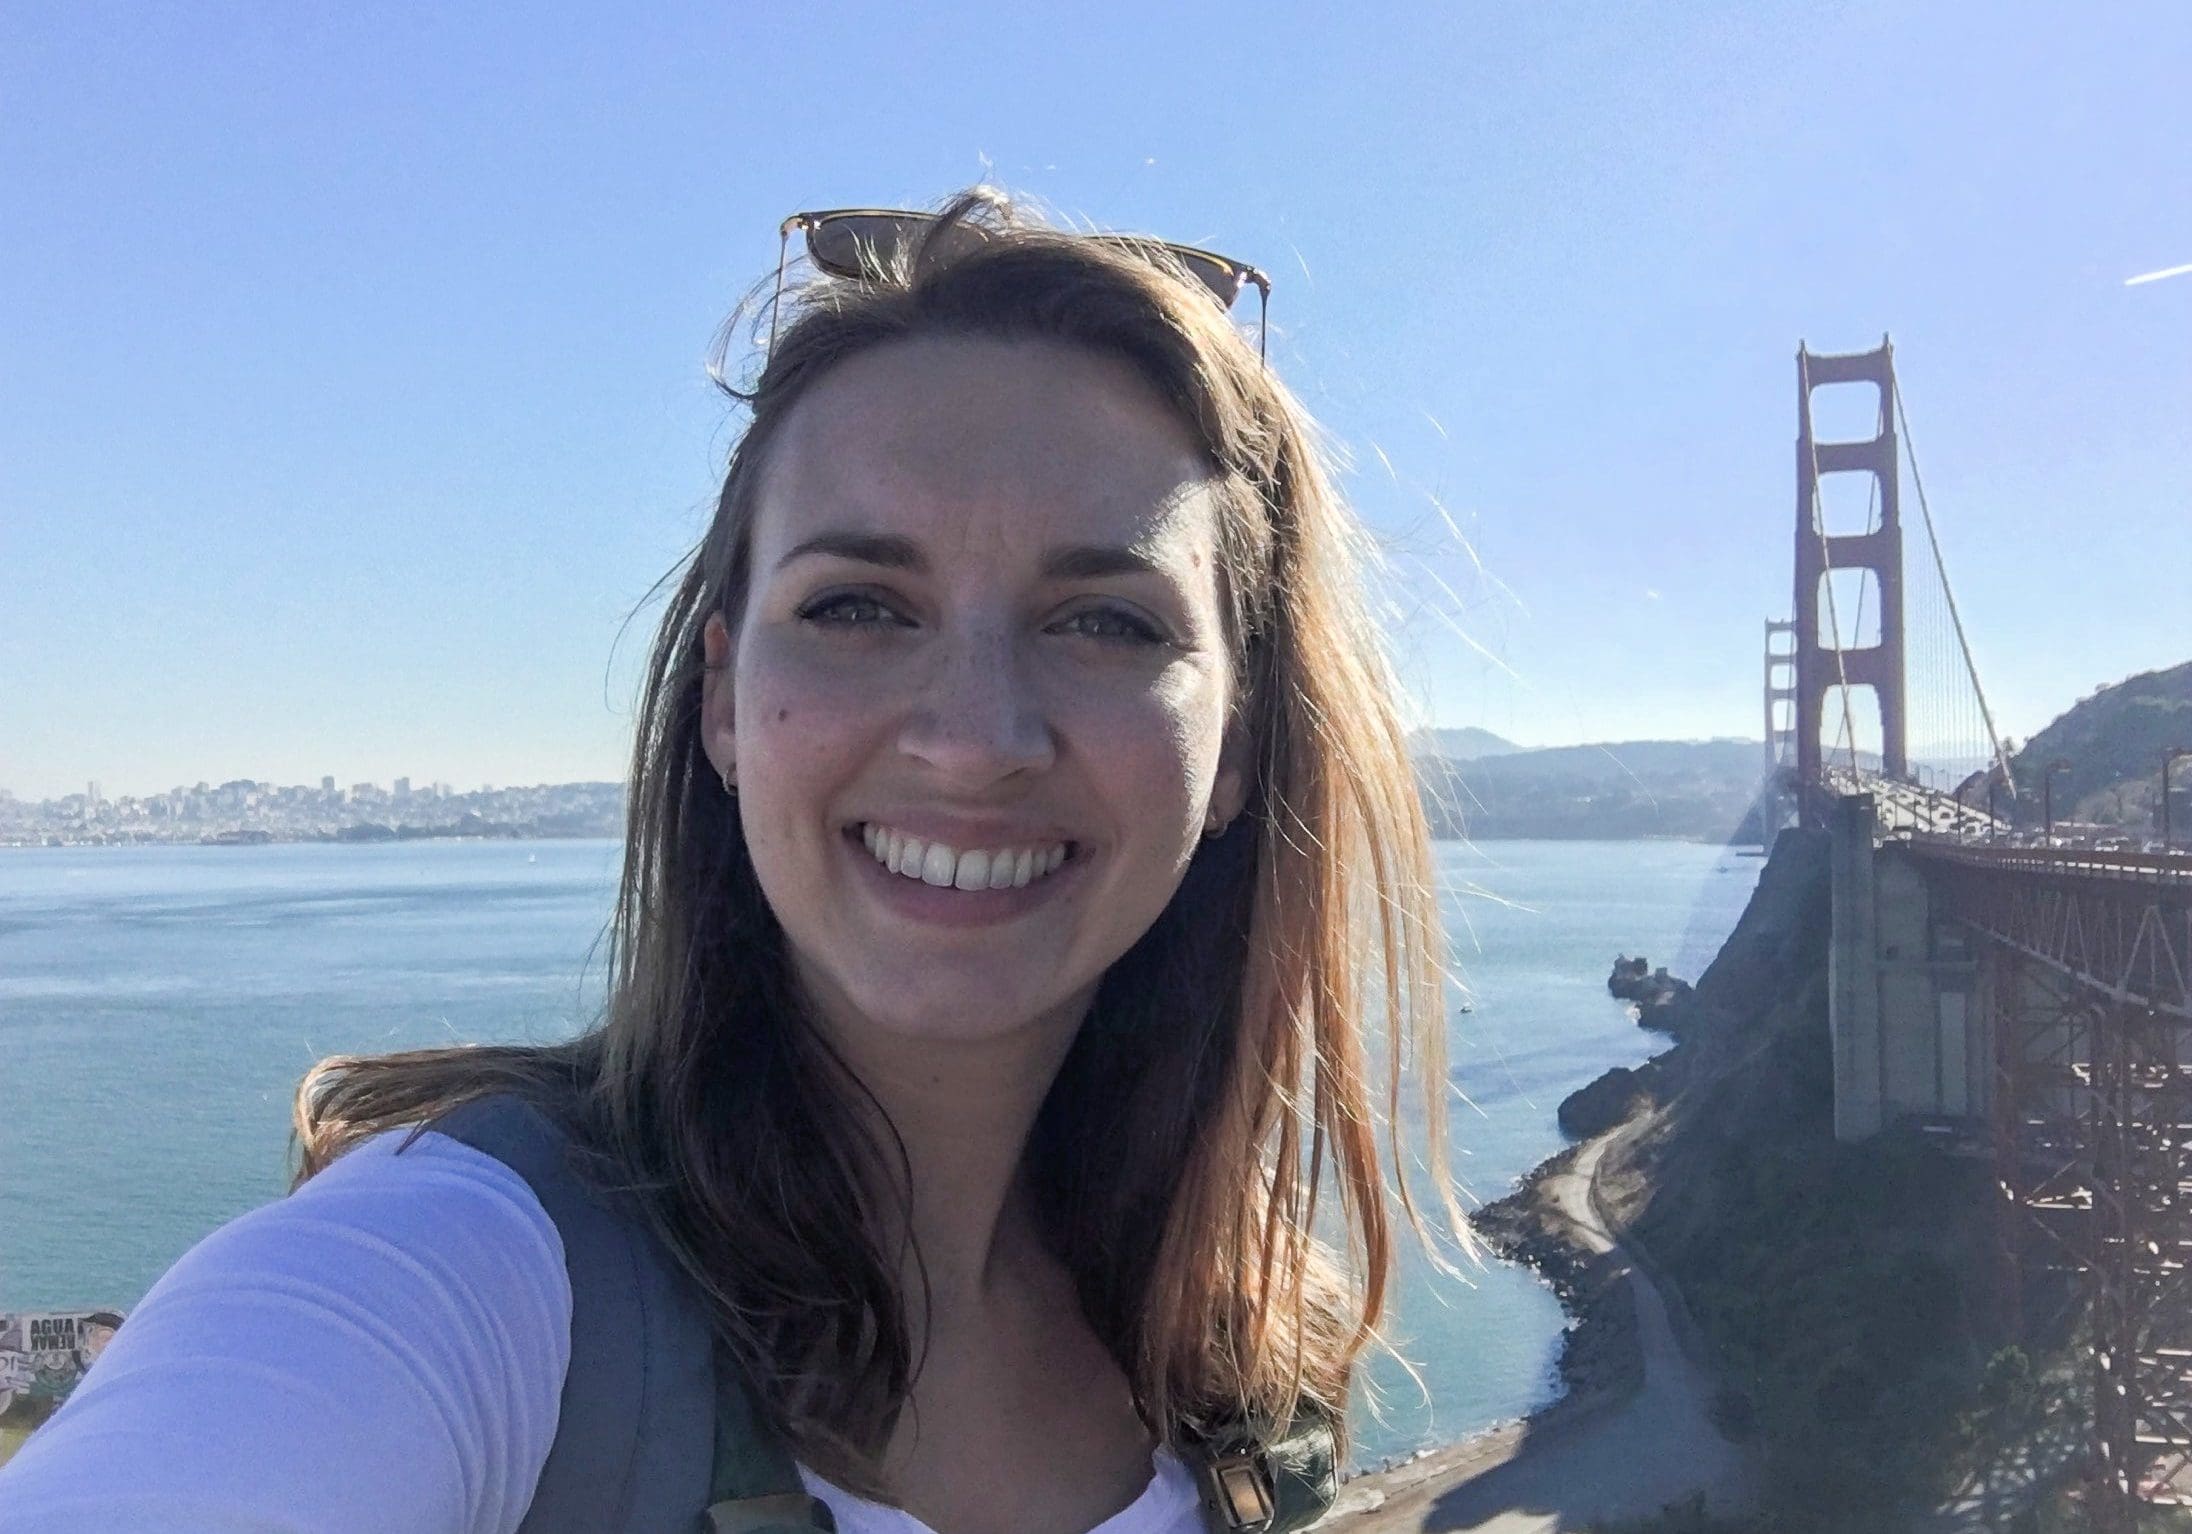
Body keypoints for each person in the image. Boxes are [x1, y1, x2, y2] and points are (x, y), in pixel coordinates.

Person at [0, 189, 1454, 1534]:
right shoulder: (456, 1274)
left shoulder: (1243, 1385)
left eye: (1106, 622)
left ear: (1244, 741)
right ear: (718, 698)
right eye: (860, 606)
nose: (974, 736)